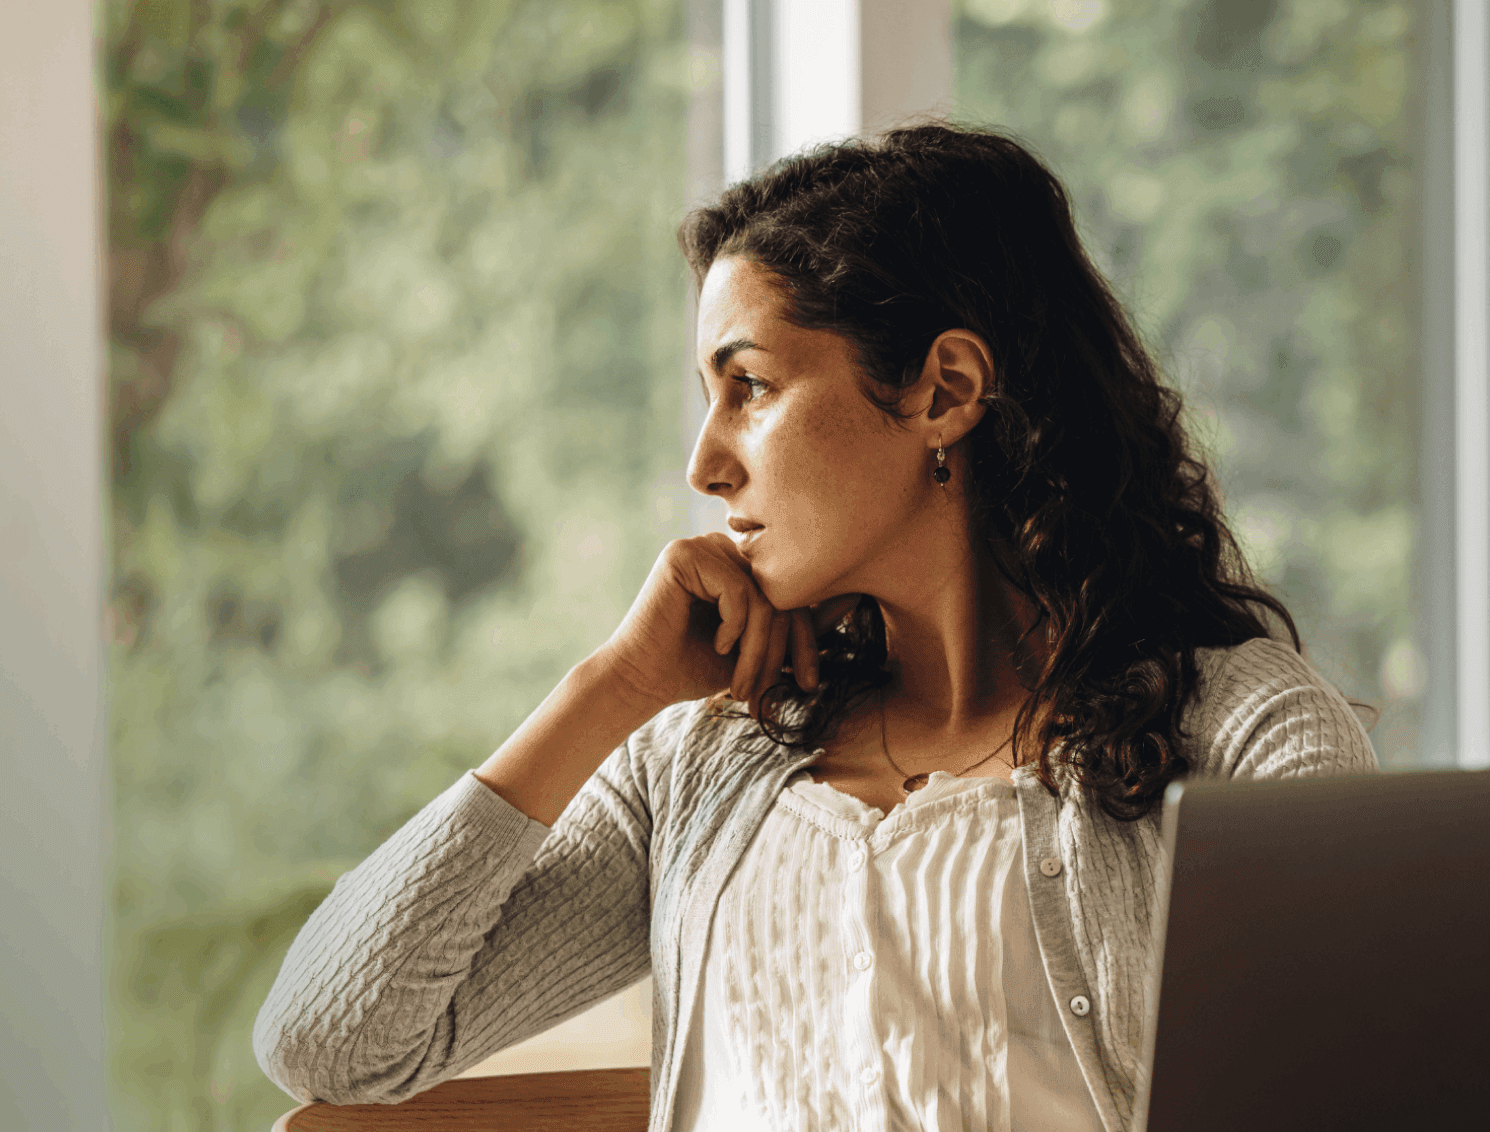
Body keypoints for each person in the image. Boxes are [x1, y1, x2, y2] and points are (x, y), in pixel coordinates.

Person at [252, 123, 1377, 1132]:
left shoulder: (1235, 735)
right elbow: (331, 1039)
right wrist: (609, 687)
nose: (705, 462)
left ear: (945, 389)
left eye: (749, 387)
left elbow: (1361, 1085)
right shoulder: (699, 762)